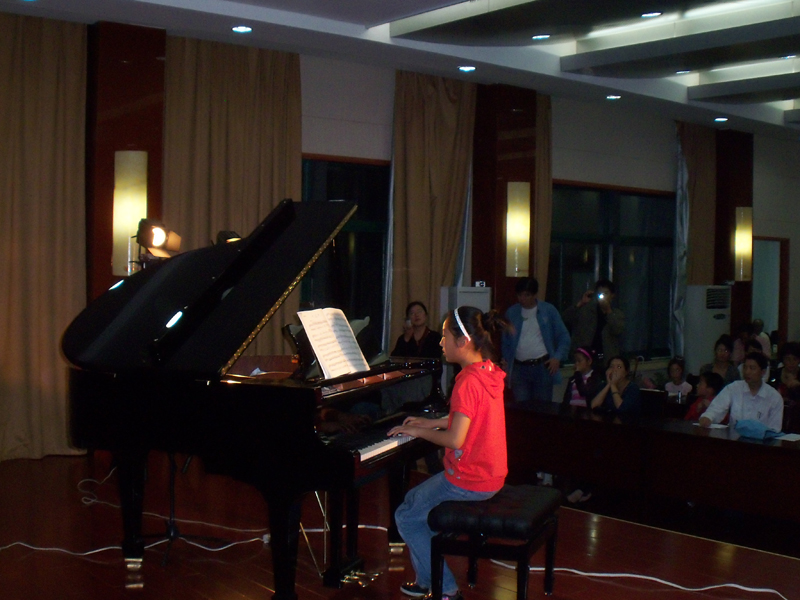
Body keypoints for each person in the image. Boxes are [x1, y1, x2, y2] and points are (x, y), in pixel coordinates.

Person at [390, 306, 509, 600]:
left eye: (445, 336)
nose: (441, 342)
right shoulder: (488, 371)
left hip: (470, 480)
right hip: (491, 475)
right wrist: (430, 422)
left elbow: (456, 440)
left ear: (463, 341)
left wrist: (418, 432)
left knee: (406, 515)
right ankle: (426, 579)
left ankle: (445, 588)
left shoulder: (467, 381)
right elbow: (469, 419)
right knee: (415, 503)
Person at [501, 277, 570, 404]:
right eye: (520, 295)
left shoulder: (548, 311)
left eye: (527, 295)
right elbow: (505, 342)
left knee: (542, 407)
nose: (523, 299)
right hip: (519, 368)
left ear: (534, 295)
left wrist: (557, 357)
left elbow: (564, 336)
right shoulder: (512, 313)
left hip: (542, 367)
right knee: (522, 407)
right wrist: (506, 360)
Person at [699, 352, 783, 430]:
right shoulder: (734, 388)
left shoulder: (774, 397)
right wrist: (707, 417)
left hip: (761, 440)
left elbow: (774, 429)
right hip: (733, 438)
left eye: (752, 368)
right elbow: (716, 408)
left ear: (763, 372)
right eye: (745, 367)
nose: (747, 372)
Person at [562, 279, 624, 366]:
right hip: (586, 359)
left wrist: (608, 311)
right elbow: (565, 319)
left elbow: (617, 329)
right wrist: (581, 303)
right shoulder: (586, 310)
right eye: (600, 294)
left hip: (606, 360)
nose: (603, 296)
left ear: (612, 295)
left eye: (606, 293)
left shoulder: (617, 314)